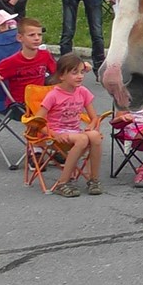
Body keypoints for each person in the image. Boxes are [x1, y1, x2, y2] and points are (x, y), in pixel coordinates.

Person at [34, 53, 104, 197]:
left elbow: (94, 118)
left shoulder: (83, 92)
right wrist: (55, 134)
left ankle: (93, 179)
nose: (80, 76)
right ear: (61, 76)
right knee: (83, 139)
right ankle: (63, 182)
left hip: (74, 132)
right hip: (54, 136)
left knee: (95, 136)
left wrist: (91, 125)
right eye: (74, 73)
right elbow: (37, 122)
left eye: (82, 72)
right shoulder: (53, 95)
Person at [0, 16, 54, 108]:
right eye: (32, 35)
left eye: (39, 35)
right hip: (18, 104)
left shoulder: (45, 55)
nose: (37, 38)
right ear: (20, 38)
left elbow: (58, 74)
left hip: (40, 101)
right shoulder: (12, 61)